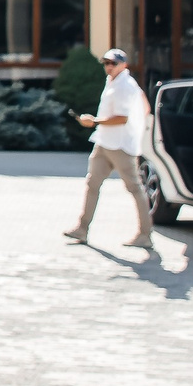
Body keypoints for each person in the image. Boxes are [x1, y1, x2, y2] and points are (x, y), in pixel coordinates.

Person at [65, 47, 153, 251]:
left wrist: (95, 121)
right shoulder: (114, 81)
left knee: (135, 188)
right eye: (106, 63)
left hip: (120, 145)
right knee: (92, 184)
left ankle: (145, 235)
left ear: (124, 65)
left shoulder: (125, 86)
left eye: (113, 63)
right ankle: (82, 229)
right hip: (104, 142)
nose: (109, 66)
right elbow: (144, 106)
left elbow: (122, 118)